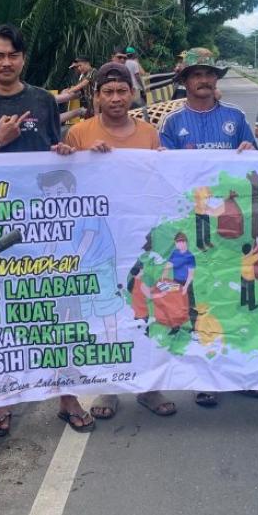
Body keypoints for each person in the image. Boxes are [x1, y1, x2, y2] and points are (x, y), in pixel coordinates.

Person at [0, 24, 88, 436]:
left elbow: (54, 150)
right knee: (5, 314)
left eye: (12, 55)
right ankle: (4, 399)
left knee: (57, 312)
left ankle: (67, 394)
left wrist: (62, 150)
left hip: (45, 228)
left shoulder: (42, 101)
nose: (5, 62)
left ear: (22, 59)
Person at [64, 60, 175, 419]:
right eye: (107, 92)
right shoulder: (79, 133)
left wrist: (163, 162)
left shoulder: (149, 133)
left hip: (140, 239)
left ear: (132, 93)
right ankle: (109, 387)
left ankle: (149, 387)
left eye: (121, 91)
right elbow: (68, 186)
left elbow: (160, 185)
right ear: (96, 97)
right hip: (100, 244)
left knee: (145, 310)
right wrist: (78, 157)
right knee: (107, 314)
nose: (115, 98)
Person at [158, 46, 257, 407]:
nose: (203, 80)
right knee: (202, 301)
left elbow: (257, 164)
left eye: (209, 74)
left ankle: (242, 374)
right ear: (184, 81)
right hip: (193, 231)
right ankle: (205, 376)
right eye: (196, 74)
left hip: (230, 231)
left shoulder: (235, 117)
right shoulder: (170, 123)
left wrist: (249, 149)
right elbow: (162, 177)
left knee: (237, 298)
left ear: (217, 78)